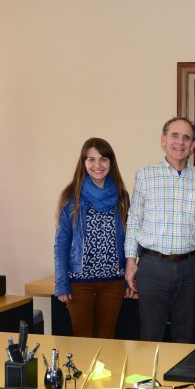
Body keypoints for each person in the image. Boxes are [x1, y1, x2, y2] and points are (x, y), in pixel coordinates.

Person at [125, 117, 195, 343]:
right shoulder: (145, 175)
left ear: (193, 145)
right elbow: (134, 220)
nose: (180, 142)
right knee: (151, 336)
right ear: (163, 140)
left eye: (186, 138)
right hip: (153, 267)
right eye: (174, 136)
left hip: (190, 268)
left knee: (185, 337)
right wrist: (130, 262)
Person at [54, 138, 130, 338]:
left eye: (103, 159)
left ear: (111, 162)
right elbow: (61, 244)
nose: (98, 165)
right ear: (83, 163)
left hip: (114, 282)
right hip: (79, 283)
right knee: (83, 339)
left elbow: (130, 240)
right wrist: (61, 283)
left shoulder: (122, 197)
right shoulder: (71, 197)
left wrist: (129, 278)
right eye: (91, 159)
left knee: (107, 336)